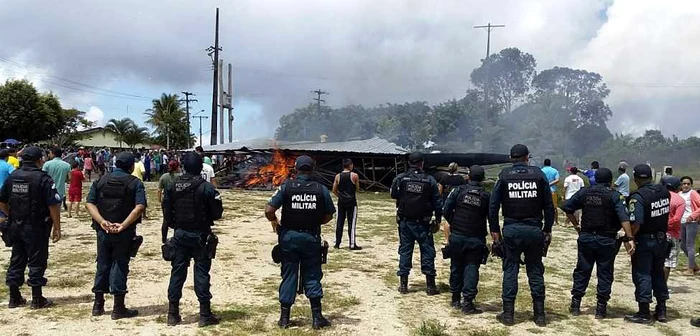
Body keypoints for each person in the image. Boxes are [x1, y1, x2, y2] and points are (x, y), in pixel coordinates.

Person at [265, 155, 335, 330]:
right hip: (311, 237)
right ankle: (317, 318)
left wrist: (275, 221)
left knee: (289, 274)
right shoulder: (321, 189)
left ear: (295, 169)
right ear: (312, 169)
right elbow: (328, 215)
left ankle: (284, 318)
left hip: (289, 237)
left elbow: (268, 210)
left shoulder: (286, 187)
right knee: (312, 274)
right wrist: (313, 221)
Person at [489, 144, 554, 327]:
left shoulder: (504, 176)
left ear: (511, 158)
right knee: (535, 270)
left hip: (511, 229)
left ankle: (508, 315)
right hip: (534, 230)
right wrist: (547, 230)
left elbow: (493, 206)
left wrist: (495, 231)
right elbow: (549, 206)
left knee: (510, 270)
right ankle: (540, 316)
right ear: (527, 158)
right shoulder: (539, 174)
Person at [561, 168, 635, 319]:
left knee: (582, 269)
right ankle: (601, 308)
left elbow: (567, 207)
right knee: (605, 272)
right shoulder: (615, 195)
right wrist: (630, 237)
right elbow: (624, 217)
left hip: (586, 237)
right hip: (606, 239)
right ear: (609, 180)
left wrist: (576, 226)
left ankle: (576, 304)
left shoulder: (584, 193)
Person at [163, 152, 223, 327]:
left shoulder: (173, 186)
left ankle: (172, 314)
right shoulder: (206, 188)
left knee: (177, 273)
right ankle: (205, 315)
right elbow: (217, 213)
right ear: (200, 168)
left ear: (183, 166)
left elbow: (167, 214)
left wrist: (177, 225)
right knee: (202, 273)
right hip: (200, 235)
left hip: (180, 234)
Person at [85, 152, 145, 320]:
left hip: (102, 231)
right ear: (131, 166)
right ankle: (118, 308)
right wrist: (124, 225)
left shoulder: (101, 180)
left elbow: (89, 203)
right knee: (119, 265)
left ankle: (98, 304)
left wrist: (102, 221)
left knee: (102, 263)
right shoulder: (135, 183)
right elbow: (140, 206)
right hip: (124, 232)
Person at [1, 146, 62, 309]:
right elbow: (53, 204)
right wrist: (57, 227)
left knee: (17, 258)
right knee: (37, 260)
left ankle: (14, 297)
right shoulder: (43, 178)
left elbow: (2, 200)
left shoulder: (13, 176)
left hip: (15, 224)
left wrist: (9, 215)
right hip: (36, 227)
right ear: (38, 160)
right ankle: (37, 298)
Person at [624, 164, 671, 324]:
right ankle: (662, 309)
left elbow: (636, 222)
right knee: (658, 273)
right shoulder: (664, 191)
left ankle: (644, 312)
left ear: (636, 178)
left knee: (642, 274)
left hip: (645, 240)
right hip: (661, 239)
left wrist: (630, 237)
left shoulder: (638, 197)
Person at [390, 152, 442, 296]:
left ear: (409, 163)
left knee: (405, 250)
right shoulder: (430, 180)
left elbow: (394, 194)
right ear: (422, 163)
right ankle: (430, 286)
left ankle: (403, 285)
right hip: (423, 223)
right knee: (427, 251)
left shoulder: (401, 178)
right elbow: (437, 202)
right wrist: (438, 219)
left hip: (405, 222)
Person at [442, 165, 490, 314]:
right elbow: (491, 216)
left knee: (456, 266)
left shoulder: (458, 191)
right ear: (482, 179)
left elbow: (446, 210)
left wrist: (454, 222)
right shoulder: (486, 196)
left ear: (468, 176)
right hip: (476, 237)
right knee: (471, 267)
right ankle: (467, 302)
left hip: (457, 235)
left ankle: (455, 298)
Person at [332, 158, 361, 250]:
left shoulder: (338, 176)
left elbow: (334, 190)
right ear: (350, 165)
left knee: (339, 222)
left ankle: (337, 243)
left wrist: (340, 196)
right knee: (351, 224)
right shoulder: (354, 176)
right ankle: (352, 244)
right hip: (351, 202)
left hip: (341, 202)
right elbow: (357, 189)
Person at [662, 177, 684, 282]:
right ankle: (662, 285)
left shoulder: (658, 196)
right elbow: (676, 219)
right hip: (673, 233)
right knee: (668, 262)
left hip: (657, 232)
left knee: (657, 260)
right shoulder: (680, 200)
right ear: (678, 188)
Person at [678, 176, 700, 275]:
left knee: (689, 245)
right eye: (684, 183)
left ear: (691, 185)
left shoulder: (693, 194)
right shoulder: (679, 194)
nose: (686, 185)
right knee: (682, 245)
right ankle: (695, 265)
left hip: (692, 222)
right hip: (681, 222)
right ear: (681, 185)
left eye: (688, 184)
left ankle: (690, 269)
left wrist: (692, 216)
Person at [159, 160, 181, 244]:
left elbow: (159, 189)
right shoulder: (180, 176)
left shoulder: (164, 176)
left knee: (165, 220)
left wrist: (159, 199)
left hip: (166, 200)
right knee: (177, 219)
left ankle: (164, 239)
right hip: (177, 200)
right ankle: (176, 238)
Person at [541, 159, 560, 226]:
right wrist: (550, 184)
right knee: (554, 207)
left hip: (542, 191)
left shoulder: (541, 171)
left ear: (544, 163)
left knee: (541, 206)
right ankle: (556, 221)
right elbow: (557, 180)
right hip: (552, 191)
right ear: (550, 163)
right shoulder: (555, 171)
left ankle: (543, 219)